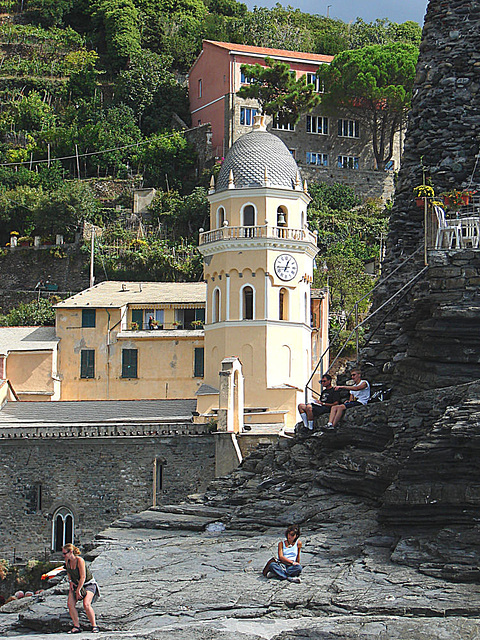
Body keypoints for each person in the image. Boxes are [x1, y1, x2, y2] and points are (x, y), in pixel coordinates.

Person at [62, 543, 99, 634]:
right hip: (75, 584)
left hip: (88, 584)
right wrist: (70, 581)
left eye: (64, 553)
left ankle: (94, 626)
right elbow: (69, 572)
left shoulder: (80, 560)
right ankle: (76, 626)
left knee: (86, 604)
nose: (63, 555)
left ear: (71, 552)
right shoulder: (67, 560)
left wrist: (79, 590)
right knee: (70, 604)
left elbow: (83, 577)